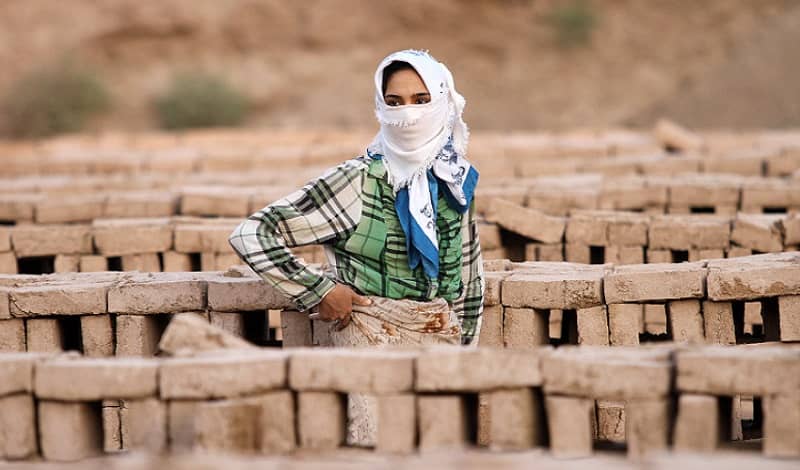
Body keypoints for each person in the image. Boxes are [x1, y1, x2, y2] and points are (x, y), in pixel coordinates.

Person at [228, 49, 484, 444]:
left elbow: (469, 283)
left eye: (421, 100)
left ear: (442, 101)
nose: (408, 115)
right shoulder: (357, 181)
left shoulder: (454, 180)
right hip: (370, 338)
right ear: (380, 107)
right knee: (375, 452)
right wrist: (320, 290)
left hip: (440, 342)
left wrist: (463, 364)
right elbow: (252, 233)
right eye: (394, 103)